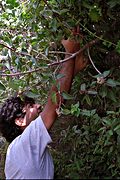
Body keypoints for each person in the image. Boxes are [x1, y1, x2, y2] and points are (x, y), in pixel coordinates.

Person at [0, 35, 87, 179]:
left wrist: (73, 69)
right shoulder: (23, 145)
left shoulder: (21, 151)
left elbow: (57, 102)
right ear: (20, 121)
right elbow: (53, 105)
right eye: (30, 106)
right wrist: (70, 53)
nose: (39, 106)